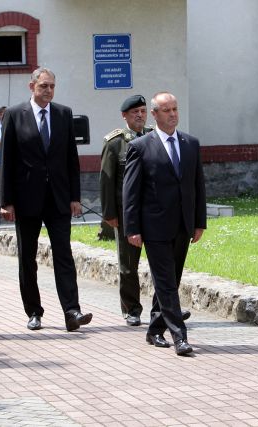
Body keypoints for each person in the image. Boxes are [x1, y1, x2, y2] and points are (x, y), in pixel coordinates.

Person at [0, 67, 93, 332]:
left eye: (52, 86)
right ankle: (34, 311)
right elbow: (7, 160)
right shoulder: (15, 115)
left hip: (58, 198)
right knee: (27, 258)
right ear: (32, 87)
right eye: (43, 86)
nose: (48, 91)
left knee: (64, 255)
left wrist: (75, 196)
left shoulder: (63, 114)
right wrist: (6, 201)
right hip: (27, 198)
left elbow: (71, 158)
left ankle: (71, 311)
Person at [123, 91, 207, 355]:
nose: (172, 114)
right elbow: (131, 192)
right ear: (154, 114)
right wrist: (132, 227)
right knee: (166, 282)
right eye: (166, 110)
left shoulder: (190, 143)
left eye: (175, 109)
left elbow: (198, 186)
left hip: (183, 224)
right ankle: (179, 336)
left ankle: (154, 329)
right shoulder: (140, 147)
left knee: (172, 279)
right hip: (155, 226)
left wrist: (199, 222)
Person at [100, 95, 153, 326]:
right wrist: (110, 214)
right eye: (135, 112)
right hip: (126, 213)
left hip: (154, 212)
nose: (140, 115)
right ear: (125, 116)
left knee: (162, 263)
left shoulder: (155, 137)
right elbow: (107, 180)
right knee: (128, 265)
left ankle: (165, 308)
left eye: (143, 111)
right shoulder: (115, 143)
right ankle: (132, 309)